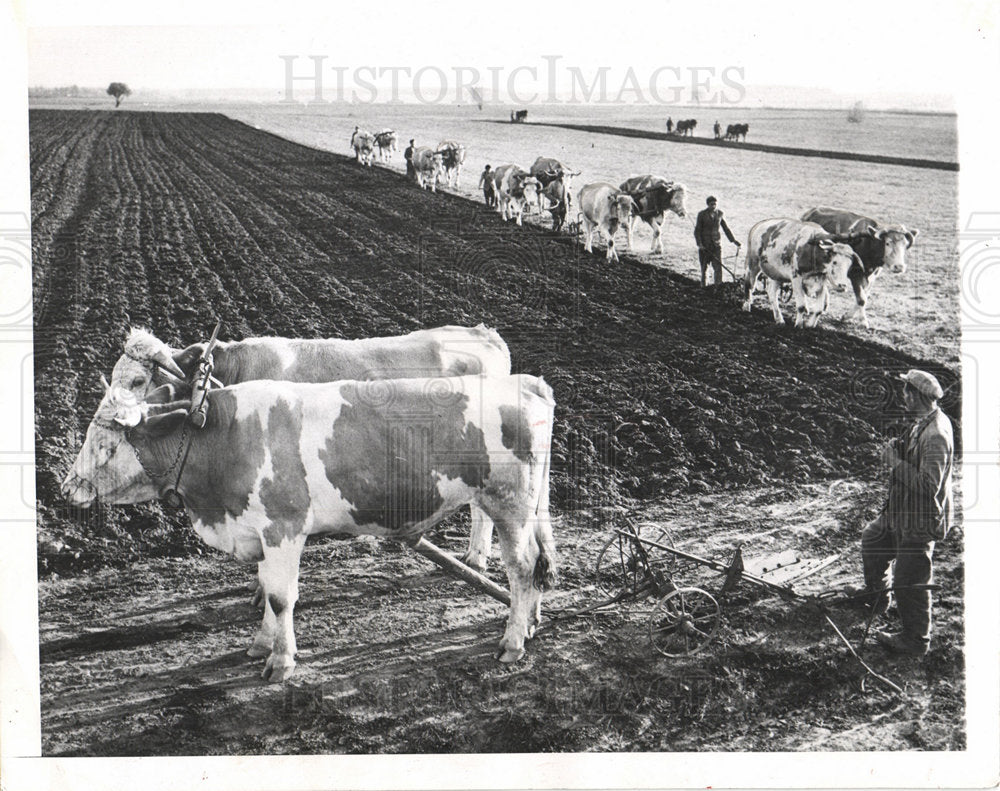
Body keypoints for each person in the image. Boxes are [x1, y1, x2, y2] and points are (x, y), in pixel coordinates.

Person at [861, 369, 954, 657]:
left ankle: (916, 640)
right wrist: (899, 448)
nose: (902, 396)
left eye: (905, 392)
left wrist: (894, 463)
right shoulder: (922, 423)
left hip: (921, 518)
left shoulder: (936, 434)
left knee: (910, 581)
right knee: (873, 539)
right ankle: (878, 599)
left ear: (916, 396)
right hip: (903, 511)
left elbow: (928, 485)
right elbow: (914, 453)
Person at [694, 196, 739, 288]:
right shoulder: (702, 214)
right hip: (705, 246)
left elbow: (726, 228)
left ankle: (718, 287)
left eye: (715, 204)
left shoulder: (720, 214)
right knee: (704, 268)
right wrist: (700, 244)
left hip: (716, 245)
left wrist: (733, 240)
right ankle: (703, 287)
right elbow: (697, 230)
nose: (713, 206)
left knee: (718, 268)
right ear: (708, 204)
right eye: (711, 204)